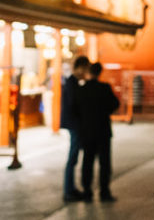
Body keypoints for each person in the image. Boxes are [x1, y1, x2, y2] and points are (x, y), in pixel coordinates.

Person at [78, 62, 120, 202]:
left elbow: (76, 109)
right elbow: (115, 104)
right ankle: (104, 191)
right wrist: (104, 112)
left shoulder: (83, 89)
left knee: (87, 161)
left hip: (87, 130)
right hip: (102, 129)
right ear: (100, 72)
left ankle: (87, 191)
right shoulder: (104, 88)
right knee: (104, 163)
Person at [62, 56, 91, 202]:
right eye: (85, 68)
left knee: (73, 157)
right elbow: (73, 104)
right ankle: (68, 190)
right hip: (75, 124)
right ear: (80, 67)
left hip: (74, 123)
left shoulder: (72, 82)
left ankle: (71, 188)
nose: (85, 72)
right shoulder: (72, 82)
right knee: (72, 157)